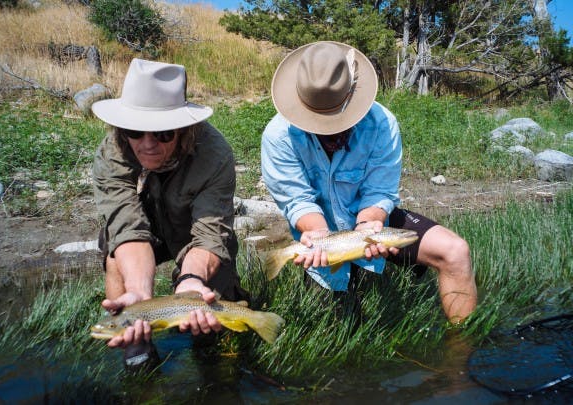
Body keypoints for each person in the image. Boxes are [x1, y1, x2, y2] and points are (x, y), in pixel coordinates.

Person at [260, 41, 477, 323]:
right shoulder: (278, 136)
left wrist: (370, 222)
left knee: (455, 251)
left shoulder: (382, 123)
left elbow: (379, 191)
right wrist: (317, 234)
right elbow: (297, 201)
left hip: (372, 222)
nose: (331, 132)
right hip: (318, 232)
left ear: (352, 94)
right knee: (334, 327)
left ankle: (460, 353)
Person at [91, 58, 249, 371]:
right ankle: (137, 348)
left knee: (213, 280)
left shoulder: (214, 154)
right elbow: (127, 229)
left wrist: (191, 280)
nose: (147, 145)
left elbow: (209, 235)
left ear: (185, 129)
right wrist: (139, 294)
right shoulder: (112, 151)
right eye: (136, 131)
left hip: (192, 232)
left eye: (163, 134)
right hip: (142, 232)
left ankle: (215, 352)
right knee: (115, 257)